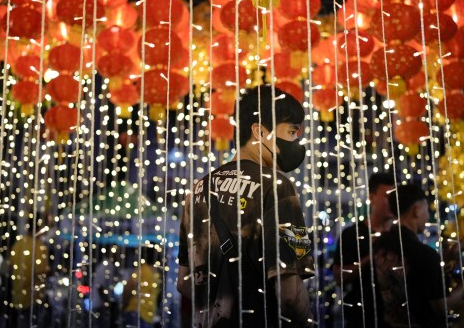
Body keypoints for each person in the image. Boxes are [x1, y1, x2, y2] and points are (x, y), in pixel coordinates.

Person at [177, 85, 314, 327]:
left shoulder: (198, 190)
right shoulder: (278, 187)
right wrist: (307, 320)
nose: (297, 142)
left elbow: (185, 283)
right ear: (260, 132)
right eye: (292, 133)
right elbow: (291, 293)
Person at [373, 184, 464, 328]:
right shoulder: (424, 254)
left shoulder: (380, 245)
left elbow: (414, 272)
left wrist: (446, 256)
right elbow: (440, 307)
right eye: (427, 209)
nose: (428, 216)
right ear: (417, 210)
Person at [332, 172, 395, 328]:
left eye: (395, 196)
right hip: (361, 317)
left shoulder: (400, 235)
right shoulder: (352, 234)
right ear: (371, 197)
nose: (392, 202)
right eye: (387, 196)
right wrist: (371, 257)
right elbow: (339, 277)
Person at [8, 217, 50, 328]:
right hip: (33, 299)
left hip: (17, 297)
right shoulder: (39, 247)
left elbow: (10, 268)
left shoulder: (18, 244)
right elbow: (40, 273)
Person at [123, 246, 162, 328]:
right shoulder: (156, 273)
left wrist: (124, 302)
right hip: (146, 314)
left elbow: (128, 287)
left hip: (137, 312)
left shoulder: (142, 270)